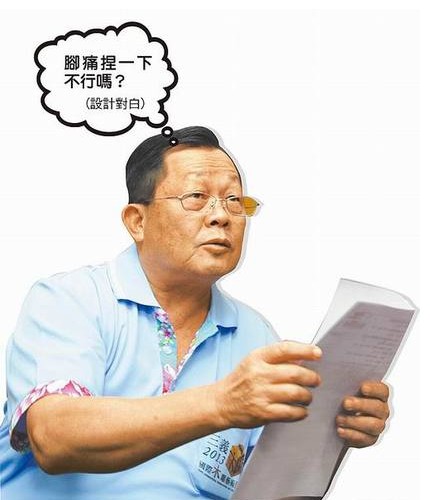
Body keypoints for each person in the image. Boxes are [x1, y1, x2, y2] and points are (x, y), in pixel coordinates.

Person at [0, 126, 390, 499]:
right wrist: (222, 403)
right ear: (137, 221)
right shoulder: (70, 299)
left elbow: (269, 490)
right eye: (197, 197)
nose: (221, 215)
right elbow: (54, 438)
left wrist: (331, 437)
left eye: (234, 201)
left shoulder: (256, 337)